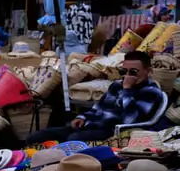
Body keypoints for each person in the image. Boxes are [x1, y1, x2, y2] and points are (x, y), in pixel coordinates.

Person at [28, 50, 168, 143]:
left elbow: (130, 120)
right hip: (93, 125)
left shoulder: (151, 92)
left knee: (73, 140)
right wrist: (82, 117)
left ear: (148, 71)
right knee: (37, 137)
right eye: (123, 71)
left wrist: (127, 90)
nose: (127, 76)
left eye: (133, 72)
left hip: (113, 132)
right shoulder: (116, 85)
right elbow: (99, 107)